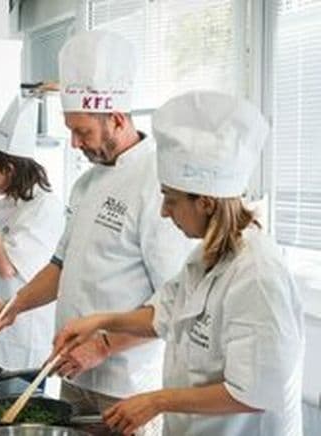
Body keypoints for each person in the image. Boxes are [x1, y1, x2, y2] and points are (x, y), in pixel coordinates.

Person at [0, 30, 194, 434]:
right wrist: (14, 307)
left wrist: (104, 345)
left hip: (129, 385)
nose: (75, 144)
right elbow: (61, 267)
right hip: (74, 373)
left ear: (116, 118)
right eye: (71, 131)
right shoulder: (86, 183)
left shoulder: (157, 183)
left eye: (83, 132)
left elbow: (175, 298)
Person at [52, 90, 304, 435]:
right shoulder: (204, 257)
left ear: (205, 203)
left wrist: (157, 401)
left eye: (171, 200)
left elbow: (254, 393)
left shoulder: (258, 275)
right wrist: (101, 320)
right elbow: (163, 314)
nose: (163, 211)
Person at [0, 96, 64, 370]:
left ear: (9, 169)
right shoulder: (9, 202)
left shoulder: (45, 208)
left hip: (20, 341)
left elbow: (6, 266)